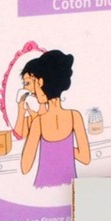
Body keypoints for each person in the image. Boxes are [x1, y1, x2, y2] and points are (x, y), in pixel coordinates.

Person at [20, 50, 90, 187]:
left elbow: (25, 167)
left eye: (34, 84)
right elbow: (85, 157)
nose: (32, 92)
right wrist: (64, 149)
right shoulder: (74, 116)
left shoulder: (38, 122)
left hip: (42, 189)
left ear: (40, 82)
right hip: (71, 189)